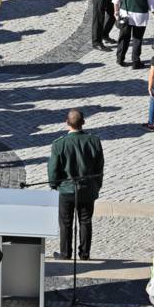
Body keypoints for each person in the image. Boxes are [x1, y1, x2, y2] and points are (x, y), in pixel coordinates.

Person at [48, 108, 104, 261]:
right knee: (85, 221)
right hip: (87, 189)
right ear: (83, 123)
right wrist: (96, 186)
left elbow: (53, 170)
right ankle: (84, 254)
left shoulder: (59, 144)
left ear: (67, 123)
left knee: (65, 223)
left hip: (66, 190)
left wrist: (55, 185)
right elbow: (99, 168)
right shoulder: (94, 141)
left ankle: (65, 253)